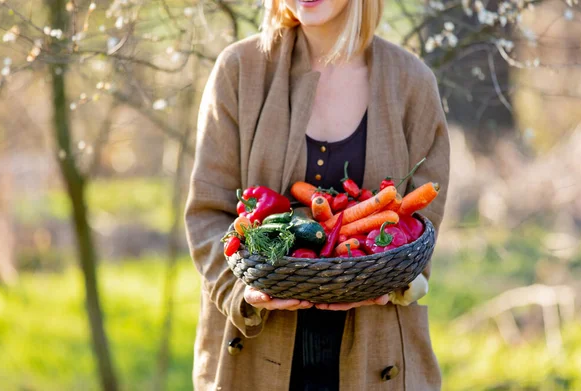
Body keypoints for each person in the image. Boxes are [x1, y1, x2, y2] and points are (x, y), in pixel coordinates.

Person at [184, 0, 450, 390]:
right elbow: (207, 213)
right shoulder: (239, 71)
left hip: (374, 356)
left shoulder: (412, 83)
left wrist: (396, 284)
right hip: (256, 351)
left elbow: (423, 227)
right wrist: (244, 289)